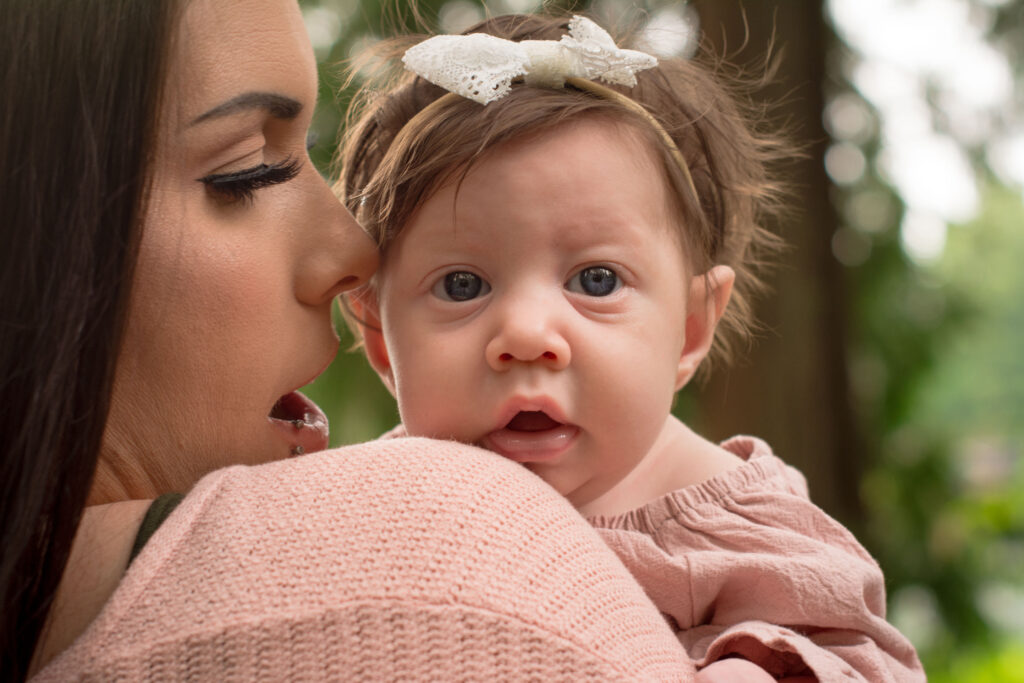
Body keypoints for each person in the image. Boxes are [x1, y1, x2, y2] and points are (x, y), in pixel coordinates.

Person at [2, 1, 710, 680]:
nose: (356, 249)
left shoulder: (731, 505)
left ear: (694, 326)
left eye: (595, 279)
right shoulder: (459, 569)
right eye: (245, 172)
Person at [338, 13, 925, 681]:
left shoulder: (742, 527)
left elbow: (866, 657)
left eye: (596, 280)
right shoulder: (372, 513)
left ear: (690, 328)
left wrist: (759, 668)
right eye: (462, 284)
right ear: (383, 340)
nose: (528, 335)